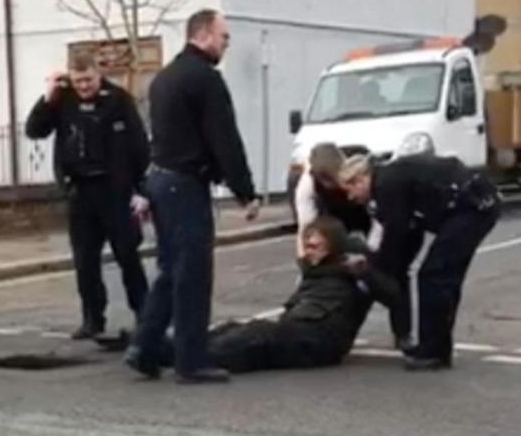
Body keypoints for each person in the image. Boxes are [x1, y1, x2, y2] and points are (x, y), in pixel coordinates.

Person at [125, 8, 261, 384]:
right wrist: (245, 192)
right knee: (193, 275)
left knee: (171, 270)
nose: (226, 44)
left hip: (161, 182)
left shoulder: (164, 78)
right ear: (202, 35)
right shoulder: (205, 80)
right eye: (223, 37)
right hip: (185, 186)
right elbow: (224, 139)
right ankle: (190, 359)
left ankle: (146, 346)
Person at [25, 53, 150, 339]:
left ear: (99, 74)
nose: (83, 87)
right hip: (80, 190)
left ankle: (144, 315)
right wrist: (48, 95)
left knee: (128, 255)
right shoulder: (63, 100)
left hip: (115, 190)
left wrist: (141, 190)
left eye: (88, 80)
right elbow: (35, 130)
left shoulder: (118, 100)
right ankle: (93, 318)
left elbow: (139, 146)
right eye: (77, 80)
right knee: (85, 261)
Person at [339, 153, 501, 370]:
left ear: (360, 179)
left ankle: (431, 352)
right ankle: (437, 348)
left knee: (434, 276)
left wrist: (370, 265)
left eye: (349, 190)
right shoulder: (392, 178)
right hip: (475, 203)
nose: (350, 198)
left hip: (470, 208)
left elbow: (396, 234)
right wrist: (389, 265)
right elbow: (409, 233)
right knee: (441, 276)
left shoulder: (387, 184)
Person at [203, 217, 400, 373]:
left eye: (315, 247)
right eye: (307, 247)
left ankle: (202, 358)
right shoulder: (314, 269)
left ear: (332, 246)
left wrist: (365, 273)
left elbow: (394, 296)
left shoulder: (355, 271)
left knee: (256, 334)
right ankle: (184, 351)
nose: (308, 253)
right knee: (232, 328)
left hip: (322, 340)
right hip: (296, 329)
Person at [293, 143, 372, 258]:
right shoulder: (308, 184)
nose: (329, 184)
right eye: (327, 181)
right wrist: (306, 263)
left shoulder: (358, 164)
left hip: (363, 216)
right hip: (334, 219)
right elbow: (306, 227)